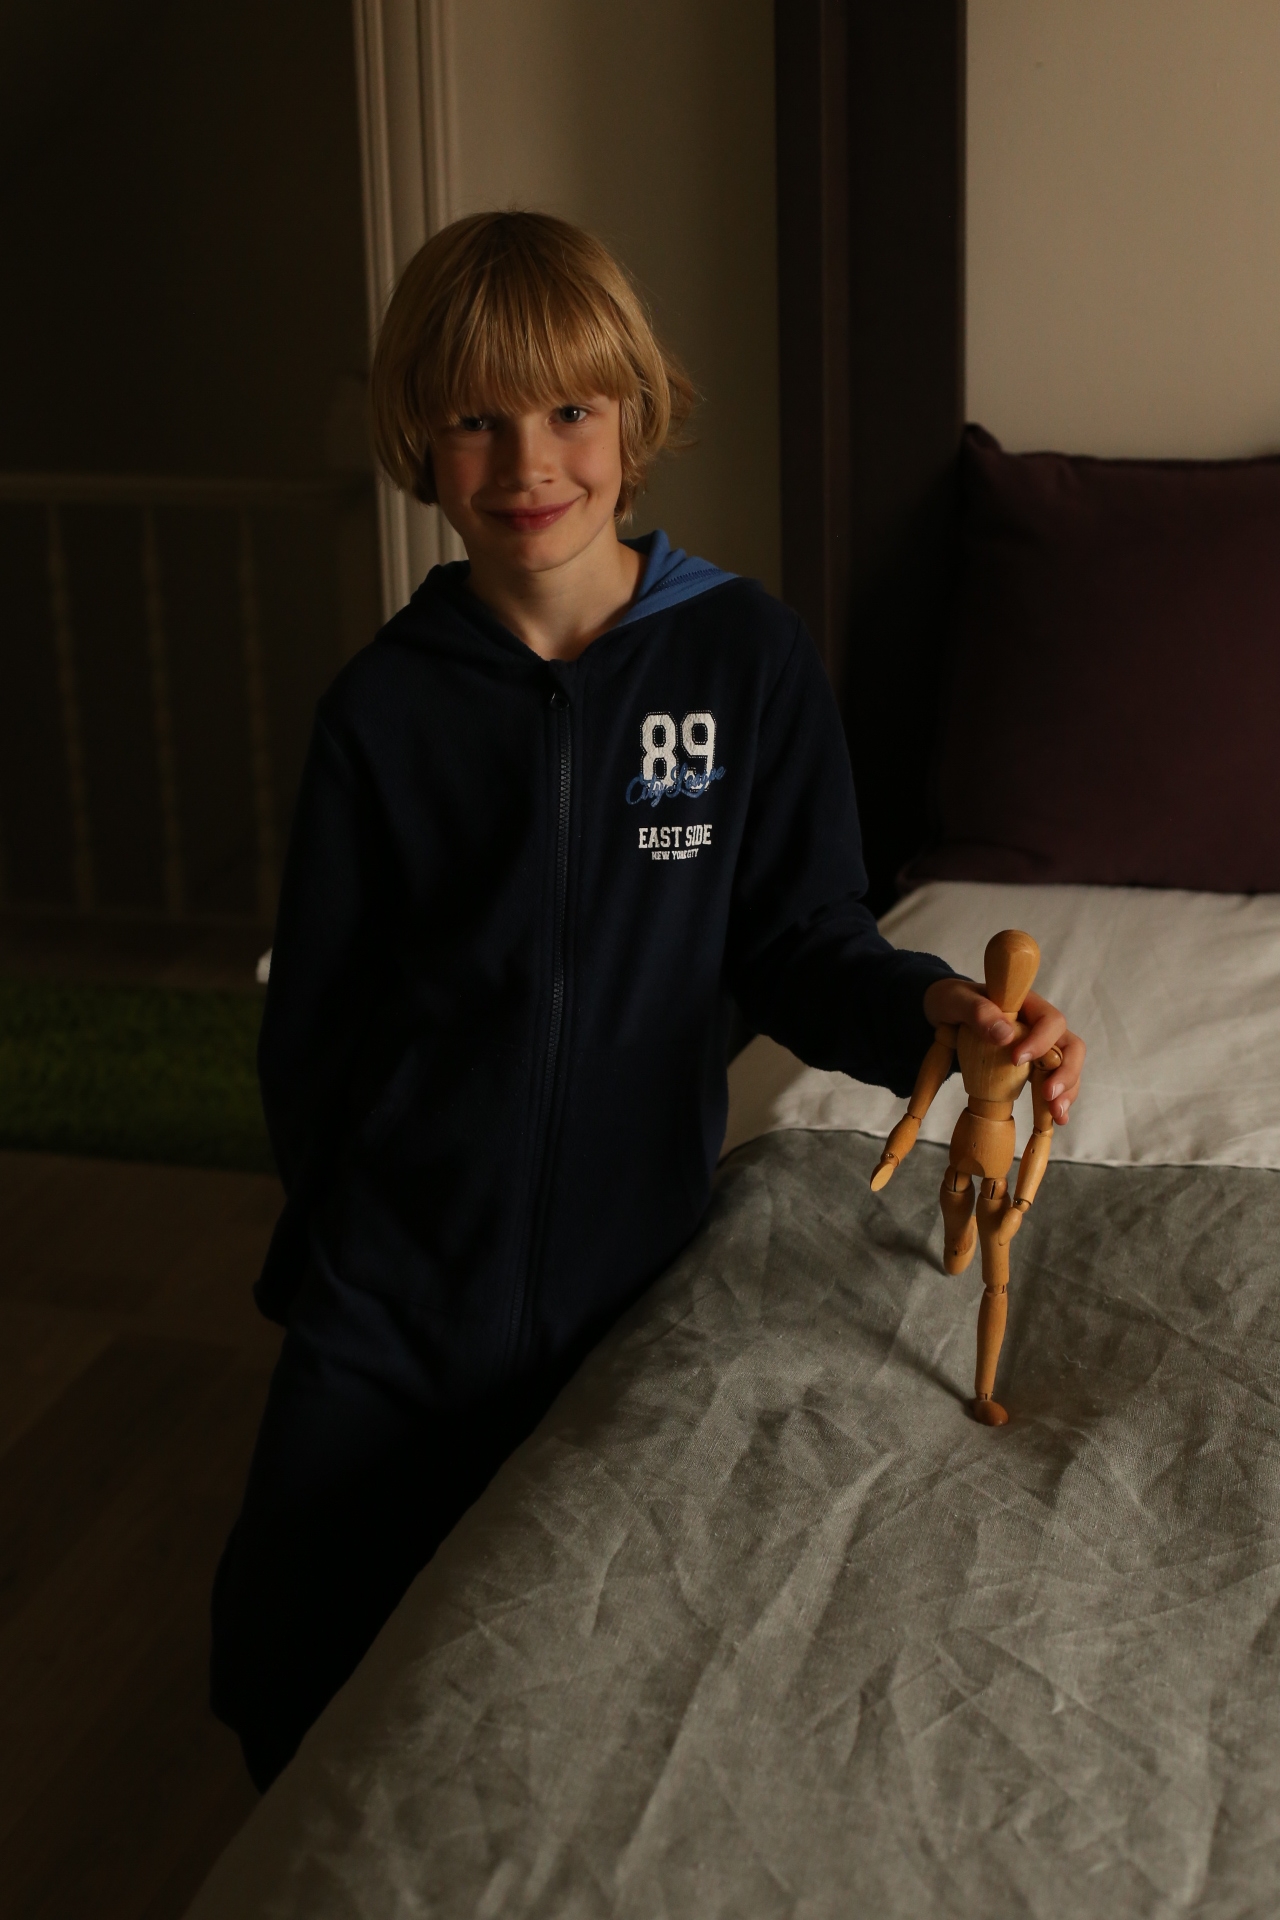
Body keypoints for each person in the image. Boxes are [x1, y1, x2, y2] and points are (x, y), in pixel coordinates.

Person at [210, 210, 1085, 1790]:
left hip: (631, 1274)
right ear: (420, 439)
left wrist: (939, 1015)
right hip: (400, 1285)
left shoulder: (743, 660)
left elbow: (801, 938)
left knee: (579, 1664)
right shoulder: (382, 711)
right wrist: (338, 1243)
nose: (527, 461)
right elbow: (317, 1031)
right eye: (475, 419)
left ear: (633, 414)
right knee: (286, 1651)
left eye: (569, 409)